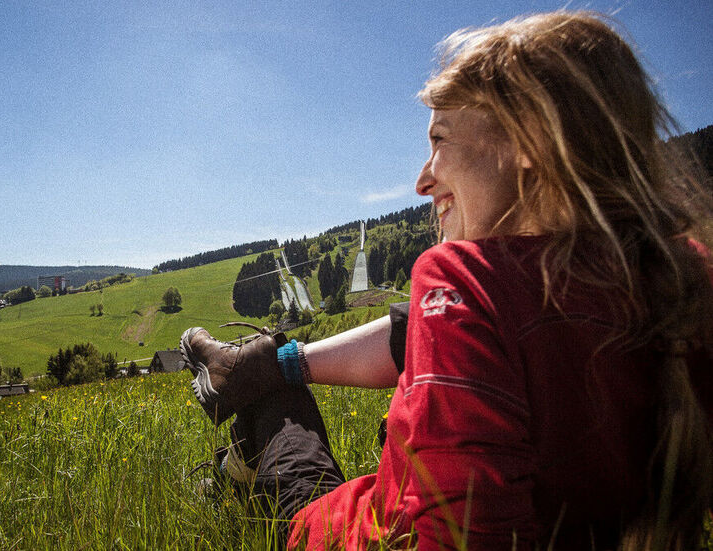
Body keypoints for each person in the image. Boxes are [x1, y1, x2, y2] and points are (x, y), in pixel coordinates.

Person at [180, 10, 713, 550]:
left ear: (528, 142)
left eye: (440, 140)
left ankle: (238, 451)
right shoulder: (684, 279)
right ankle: (249, 396)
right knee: (278, 377)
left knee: (276, 404)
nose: (422, 180)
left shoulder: (466, 280)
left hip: (349, 533)